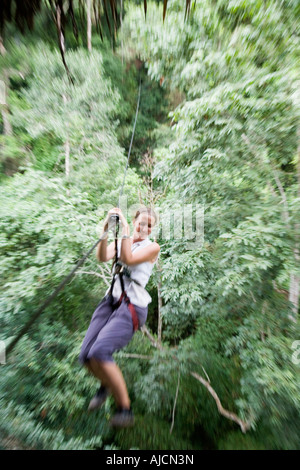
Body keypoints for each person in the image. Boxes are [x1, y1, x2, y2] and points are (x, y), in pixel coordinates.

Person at [79, 206, 160, 427]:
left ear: (153, 229)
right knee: (86, 355)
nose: (144, 228)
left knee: (100, 350)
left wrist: (124, 229)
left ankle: (125, 409)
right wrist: (105, 231)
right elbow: (102, 256)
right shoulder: (125, 240)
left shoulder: (152, 247)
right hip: (112, 300)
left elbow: (129, 259)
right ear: (135, 221)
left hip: (132, 306)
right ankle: (106, 384)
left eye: (149, 225)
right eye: (141, 222)